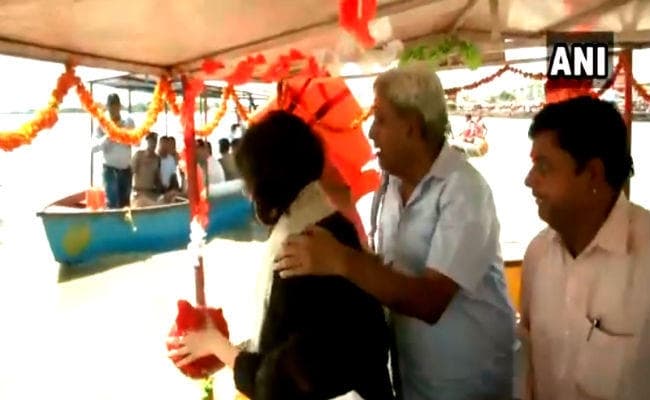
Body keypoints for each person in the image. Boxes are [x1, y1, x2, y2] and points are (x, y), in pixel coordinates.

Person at [273, 63, 516, 400]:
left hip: (469, 384)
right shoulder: (388, 186)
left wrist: (342, 260)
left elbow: (431, 301)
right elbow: (385, 270)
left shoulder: (464, 190)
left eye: (381, 120)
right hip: (411, 380)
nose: (372, 133)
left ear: (412, 128)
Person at [168, 110, 394, 400]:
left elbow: (282, 383)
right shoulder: (334, 225)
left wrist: (218, 347)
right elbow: (298, 340)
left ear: (269, 183)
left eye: (250, 183)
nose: (249, 194)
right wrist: (229, 349)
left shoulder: (300, 250)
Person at [520, 96, 650, 400]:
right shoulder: (538, 254)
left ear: (593, 174)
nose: (529, 180)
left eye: (544, 166)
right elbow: (530, 367)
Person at [92, 93, 135, 208]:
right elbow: (93, 148)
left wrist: (126, 135)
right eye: (111, 105)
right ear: (107, 106)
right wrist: (109, 136)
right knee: (112, 205)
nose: (114, 108)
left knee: (126, 206)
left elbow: (138, 142)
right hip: (110, 171)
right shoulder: (101, 124)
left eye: (116, 105)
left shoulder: (128, 122)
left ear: (120, 106)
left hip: (126, 171)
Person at [131, 132, 162, 207]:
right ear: (147, 142)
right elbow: (131, 171)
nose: (152, 144)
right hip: (138, 192)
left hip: (151, 192)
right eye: (150, 141)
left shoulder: (157, 158)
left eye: (154, 141)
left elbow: (157, 178)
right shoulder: (139, 155)